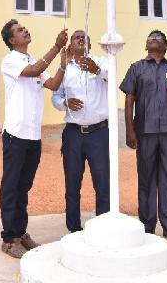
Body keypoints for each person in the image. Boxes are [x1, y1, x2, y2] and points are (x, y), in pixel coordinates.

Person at [0, 20, 68, 259]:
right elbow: (32, 72)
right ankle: (9, 239)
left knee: (24, 187)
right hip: (16, 134)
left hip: (32, 135)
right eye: (19, 30)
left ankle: (20, 232)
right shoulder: (10, 61)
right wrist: (56, 47)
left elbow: (52, 83)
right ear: (11, 40)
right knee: (11, 187)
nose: (25, 30)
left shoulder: (34, 60)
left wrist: (63, 66)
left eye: (25, 28)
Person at [120, 29, 167, 244]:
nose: (153, 39)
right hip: (145, 132)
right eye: (150, 37)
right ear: (146, 45)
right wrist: (129, 130)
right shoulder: (136, 68)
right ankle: (147, 226)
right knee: (147, 179)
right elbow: (129, 100)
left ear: (166, 46)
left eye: (158, 38)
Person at [52, 29, 109, 232]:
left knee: (103, 182)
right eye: (77, 37)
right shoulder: (65, 68)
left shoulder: (102, 62)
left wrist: (97, 70)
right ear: (70, 46)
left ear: (90, 46)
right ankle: (73, 228)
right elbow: (55, 97)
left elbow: (113, 79)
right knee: (72, 182)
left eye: (85, 37)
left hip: (99, 133)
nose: (81, 39)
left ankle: (102, 227)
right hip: (74, 133)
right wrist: (65, 103)